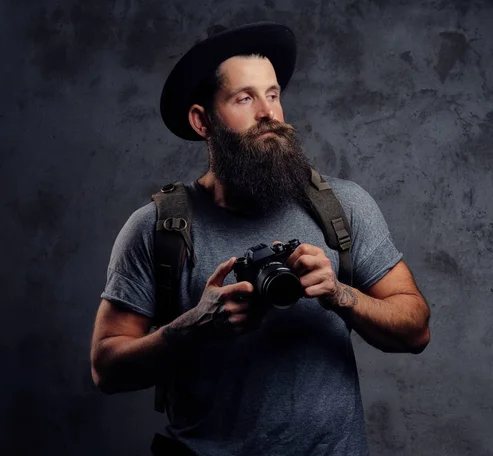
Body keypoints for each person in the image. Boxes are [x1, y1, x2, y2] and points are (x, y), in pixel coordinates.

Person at [90, 22, 430, 456]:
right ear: (202, 120)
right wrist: (192, 326)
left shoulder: (343, 208)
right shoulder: (157, 230)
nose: (268, 112)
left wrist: (340, 294)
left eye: (273, 94)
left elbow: (416, 331)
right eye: (244, 98)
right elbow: (106, 370)